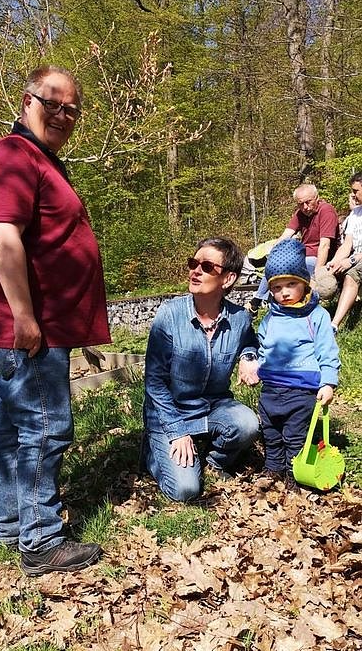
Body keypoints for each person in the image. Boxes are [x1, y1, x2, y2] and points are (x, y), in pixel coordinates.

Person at [0, 65, 111, 576]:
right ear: (27, 100)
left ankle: (11, 525)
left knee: (13, 426)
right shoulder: (13, 155)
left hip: (42, 322)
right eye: (53, 103)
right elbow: (4, 238)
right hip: (27, 326)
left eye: (72, 109)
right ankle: (41, 540)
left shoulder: (41, 160)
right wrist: (24, 316)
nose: (63, 115)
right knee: (46, 427)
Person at [142, 237, 260, 503]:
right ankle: (152, 450)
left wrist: (248, 356)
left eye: (206, 267)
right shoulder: (169, 315)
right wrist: (177, 431)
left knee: (248, 424)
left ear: (228, 279)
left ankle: (215, 461)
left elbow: (250, 342)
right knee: (185, 490)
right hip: (170, 412)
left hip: (213, 407)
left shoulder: (239, 319)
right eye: (193, 263)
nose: (195, 271)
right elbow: (154, 382)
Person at [257, 239, 340, 488]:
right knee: (271, 432)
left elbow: (327, 350)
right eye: (277, 287)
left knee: (294, 435)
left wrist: (328, 382)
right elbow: (263, 346)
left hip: (301, 389)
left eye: (291, 284)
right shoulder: (271, 317)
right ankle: (273, 468)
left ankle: (295, 474)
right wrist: (257, 366)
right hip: (270, 388)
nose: (284, 292)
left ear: (304, 283)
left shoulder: (316, 316)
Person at [247, 184, 339, 316]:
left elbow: (325, 245)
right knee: (274, 263)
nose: (305, 207)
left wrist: (318, 272)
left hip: (319, 257)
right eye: (301, 204)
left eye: (308, 202)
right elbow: (285, 235)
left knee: (295, 265)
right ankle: (257, 302)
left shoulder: (326, 211)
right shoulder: (300, 213)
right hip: (303, 253)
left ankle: (265, 303)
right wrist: (274, 253)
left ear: (317, 198)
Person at [327, 172, 362, 332]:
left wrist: (352, 260)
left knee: (352, 276)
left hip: (358, 261)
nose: (352, 195)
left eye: (355, 191)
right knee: (324, 275)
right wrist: (334, 262)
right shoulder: (355, 214)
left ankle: (334, 325)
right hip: (357, 258)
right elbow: (347, 245)